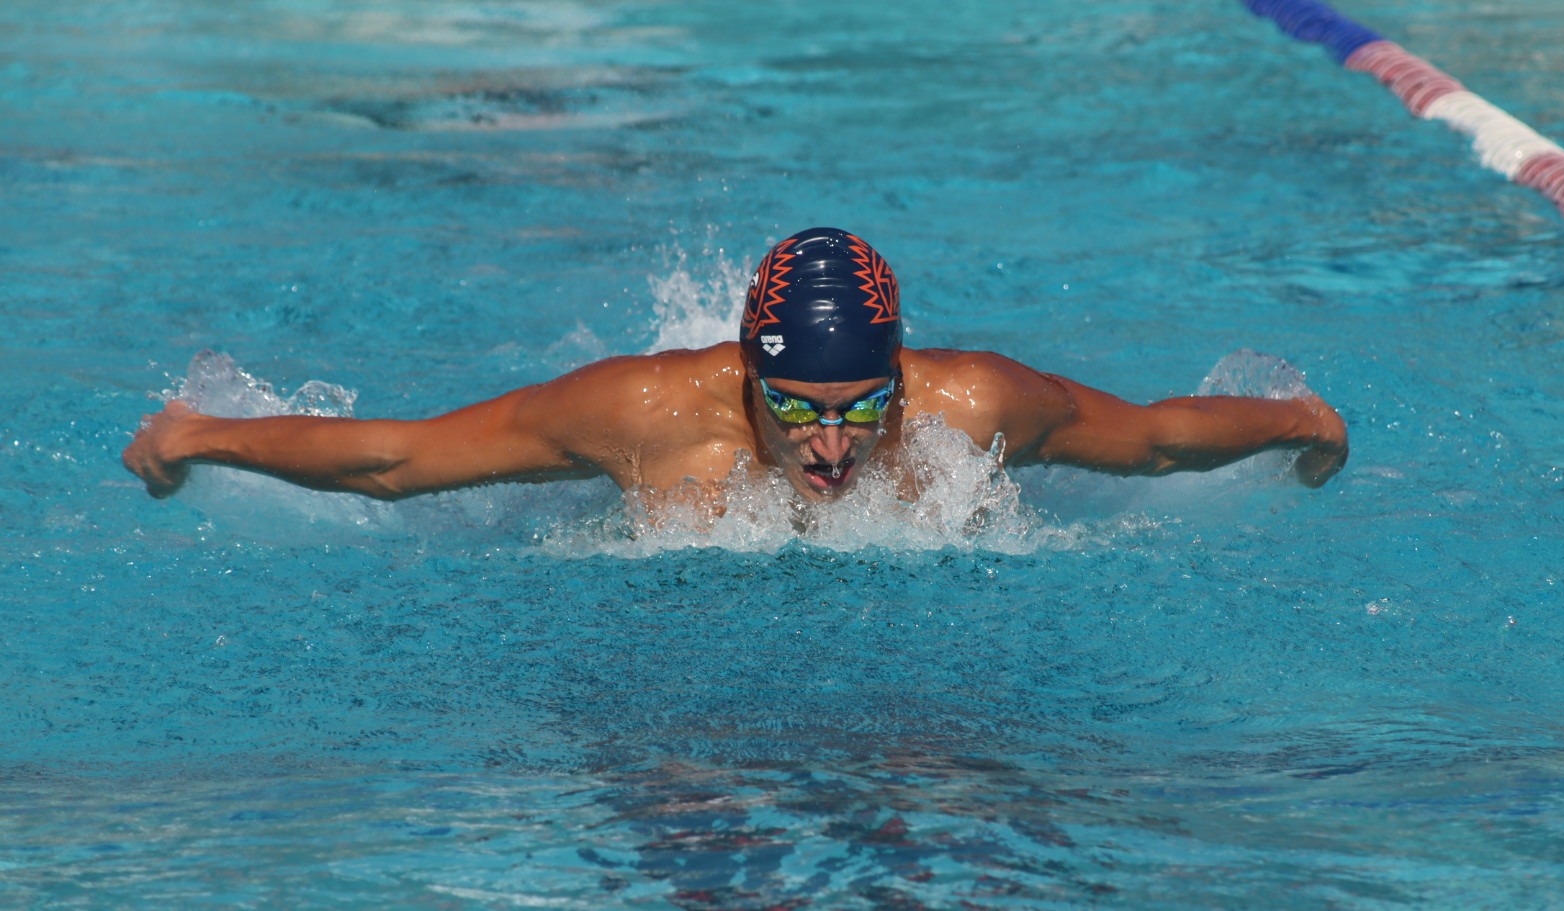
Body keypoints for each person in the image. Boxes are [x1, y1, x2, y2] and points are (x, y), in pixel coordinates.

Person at [123, 227, 1348, 513]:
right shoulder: (645, 412)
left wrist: (1302, 417)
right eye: (798, 410)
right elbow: (399, 456)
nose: (832, 444)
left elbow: (1153, 438)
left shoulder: (975, 404)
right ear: (746, 374)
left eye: (864, 407)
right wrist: (197, 434)